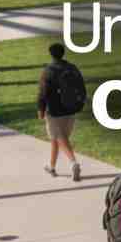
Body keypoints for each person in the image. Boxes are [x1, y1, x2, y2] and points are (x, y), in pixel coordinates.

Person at [36, 43, 82, 181]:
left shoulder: (48, 71)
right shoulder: (72, 68)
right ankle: (52, 167)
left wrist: (41, 109)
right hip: (70, 109)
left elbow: (42, 93)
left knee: (60, 138)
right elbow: (81, 86)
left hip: (54, 111)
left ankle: (74, 163)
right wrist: (79, 103)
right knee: (57, 138)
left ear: (51, 54)